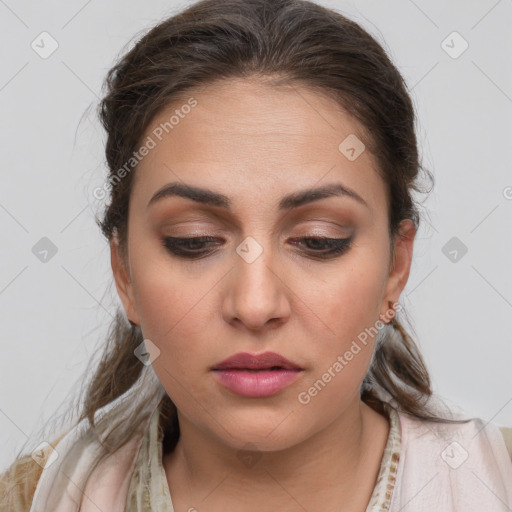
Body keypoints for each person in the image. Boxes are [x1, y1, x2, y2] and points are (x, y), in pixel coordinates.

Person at [1, 0, 511, 510]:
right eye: (193, 239)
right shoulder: (33, 499)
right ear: (125, 273)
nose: (254, 303)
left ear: (395, 268)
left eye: (318, 240)